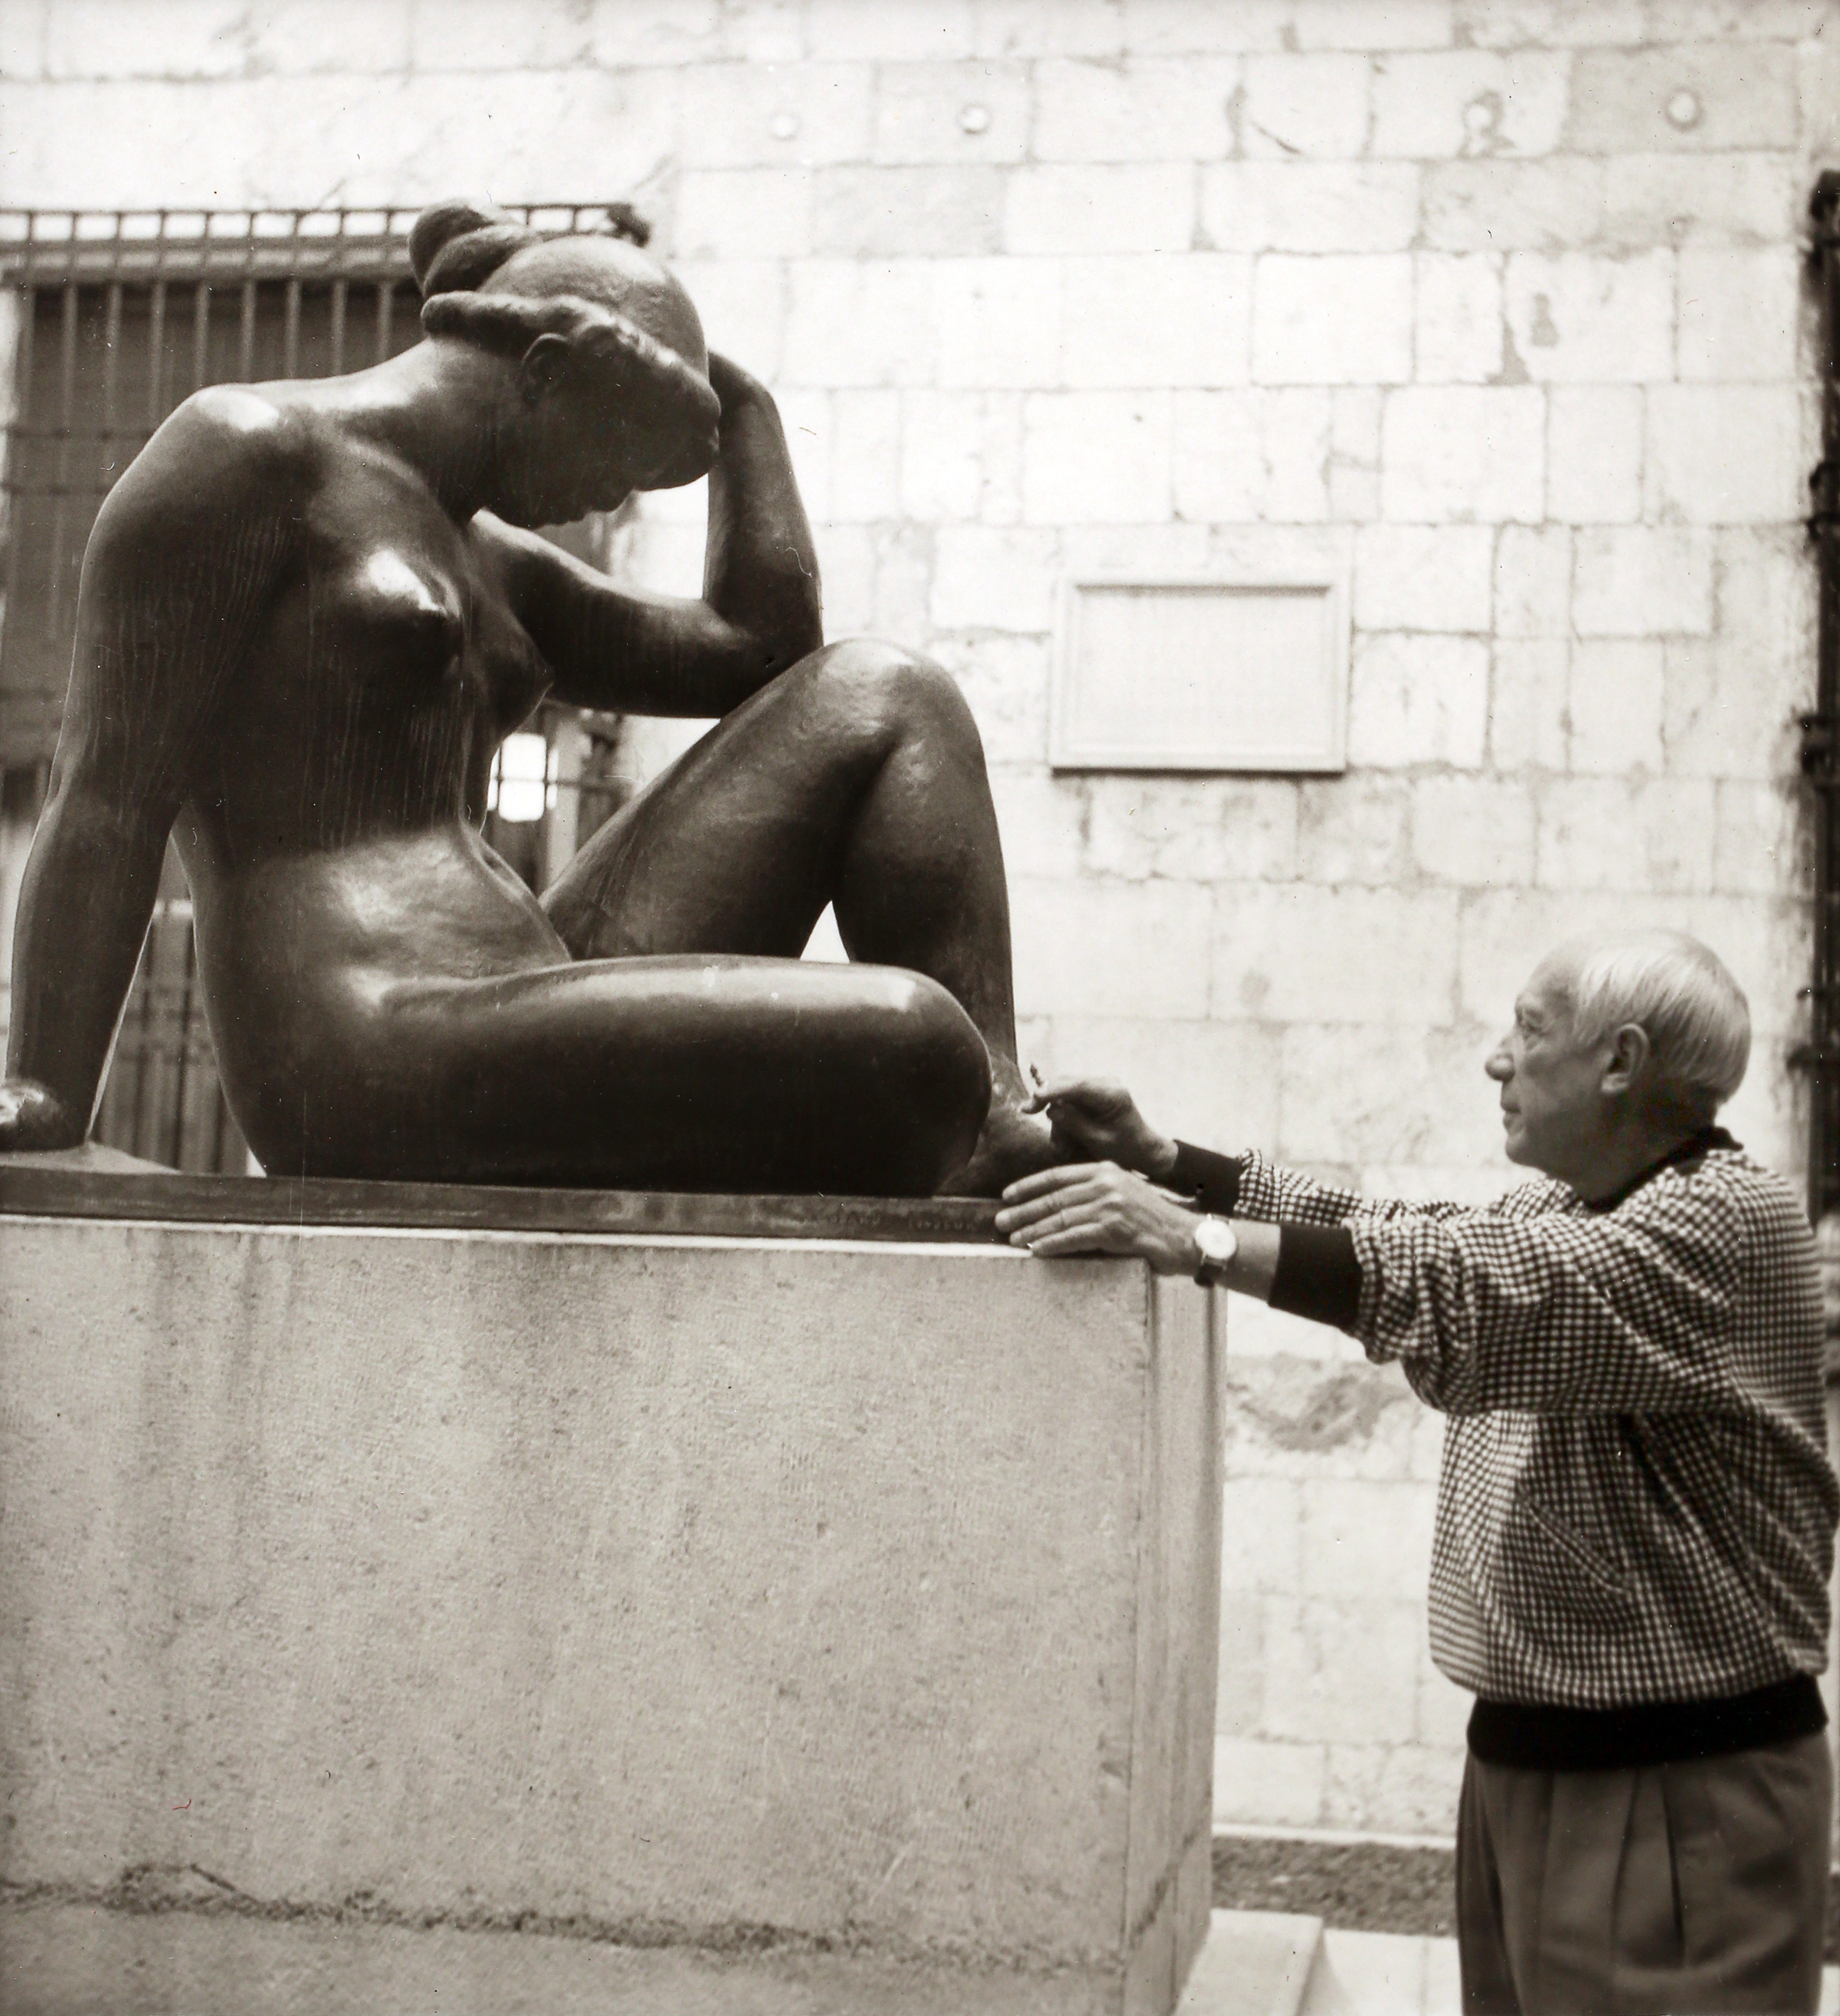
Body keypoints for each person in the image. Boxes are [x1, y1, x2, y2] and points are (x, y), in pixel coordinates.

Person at [0, 198, 1053, 1196]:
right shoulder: (249, 456)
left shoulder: (495, 563)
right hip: (364, 1042)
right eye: (622, 452)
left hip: (521, 988)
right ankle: (963, 1113)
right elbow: (105, 796)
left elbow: (763, 655)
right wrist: (46, 1092)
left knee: (888, 694)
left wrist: (741, 404)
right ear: (544, 372)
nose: (613, 496)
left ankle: (1001, 1115)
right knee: (914, 1041)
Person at [997, 932, 1838, 2016]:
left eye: (1529, 1031)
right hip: (1534, 1763)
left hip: (1678, 1790)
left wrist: (1196, 1240)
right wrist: (1169, 1161)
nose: (1498, 1059)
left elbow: (1467, 1283)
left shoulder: (1724, 1220)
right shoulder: (1567, 1206)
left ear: (1621, 1061)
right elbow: (1392, 1229)